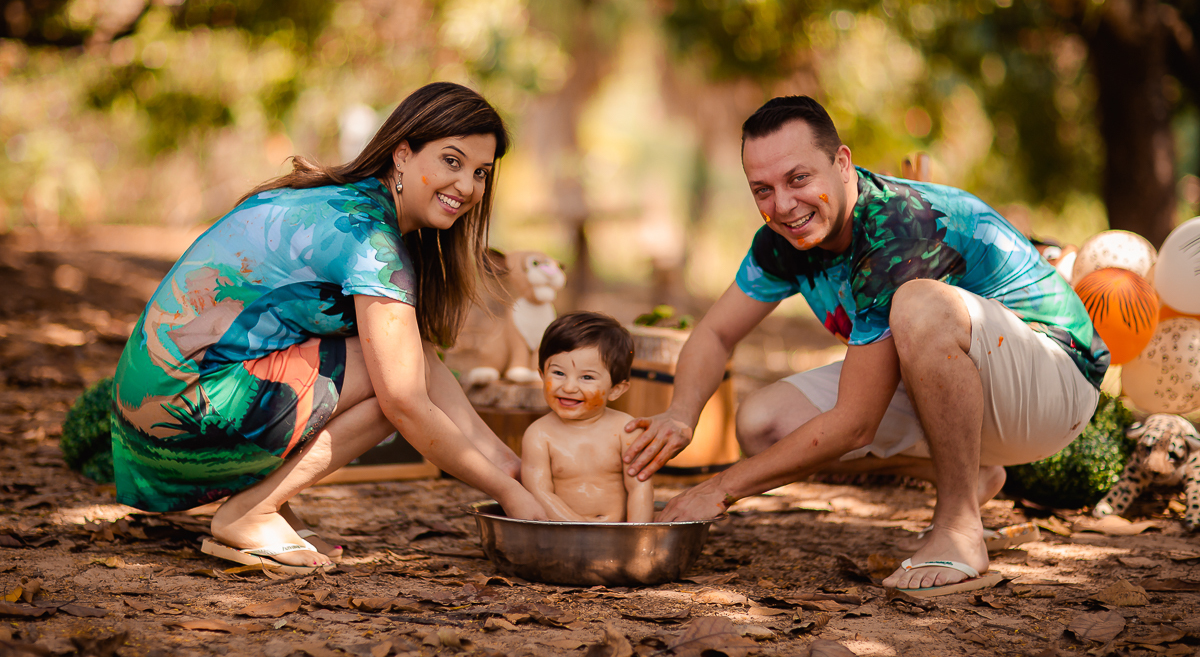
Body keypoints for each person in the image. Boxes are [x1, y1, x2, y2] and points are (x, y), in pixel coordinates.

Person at [622, 96, 1109, 596]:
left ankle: (960, 530)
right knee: (762, 423)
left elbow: (856, 424)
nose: (783, 205)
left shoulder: (897, 226)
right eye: (762, 190)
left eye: (798, 179)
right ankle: (973, 474)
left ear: (842, 163)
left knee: (918, 306)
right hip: (970, 383)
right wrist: (681, 414)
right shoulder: (783, 242)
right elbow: (714, 333)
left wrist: (721, 488)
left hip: (1055, 380)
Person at [111, 82, 549, 573]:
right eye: (452, 161)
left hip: (146, 415)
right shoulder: (369, 238)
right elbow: (405, 399)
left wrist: (513, 468)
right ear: (402, 153)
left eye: (480, 173)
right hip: (173, 418)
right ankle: (250, 513)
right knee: (395, 390)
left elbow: (423, 362)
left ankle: (261, 500)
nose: (467, 186)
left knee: (405, 360)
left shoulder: (345, 202)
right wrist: (507, 492)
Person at [520, 312, 654, 523]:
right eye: (558, 373)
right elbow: (539, 492)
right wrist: (580, 528)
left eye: (587, 377)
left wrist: (638, 539)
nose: (569, 387)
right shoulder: (539, 435)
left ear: (616, 390)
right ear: (541, 375)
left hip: (617, 534)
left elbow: (640, 488)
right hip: (561, 533)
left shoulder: (625, 430)